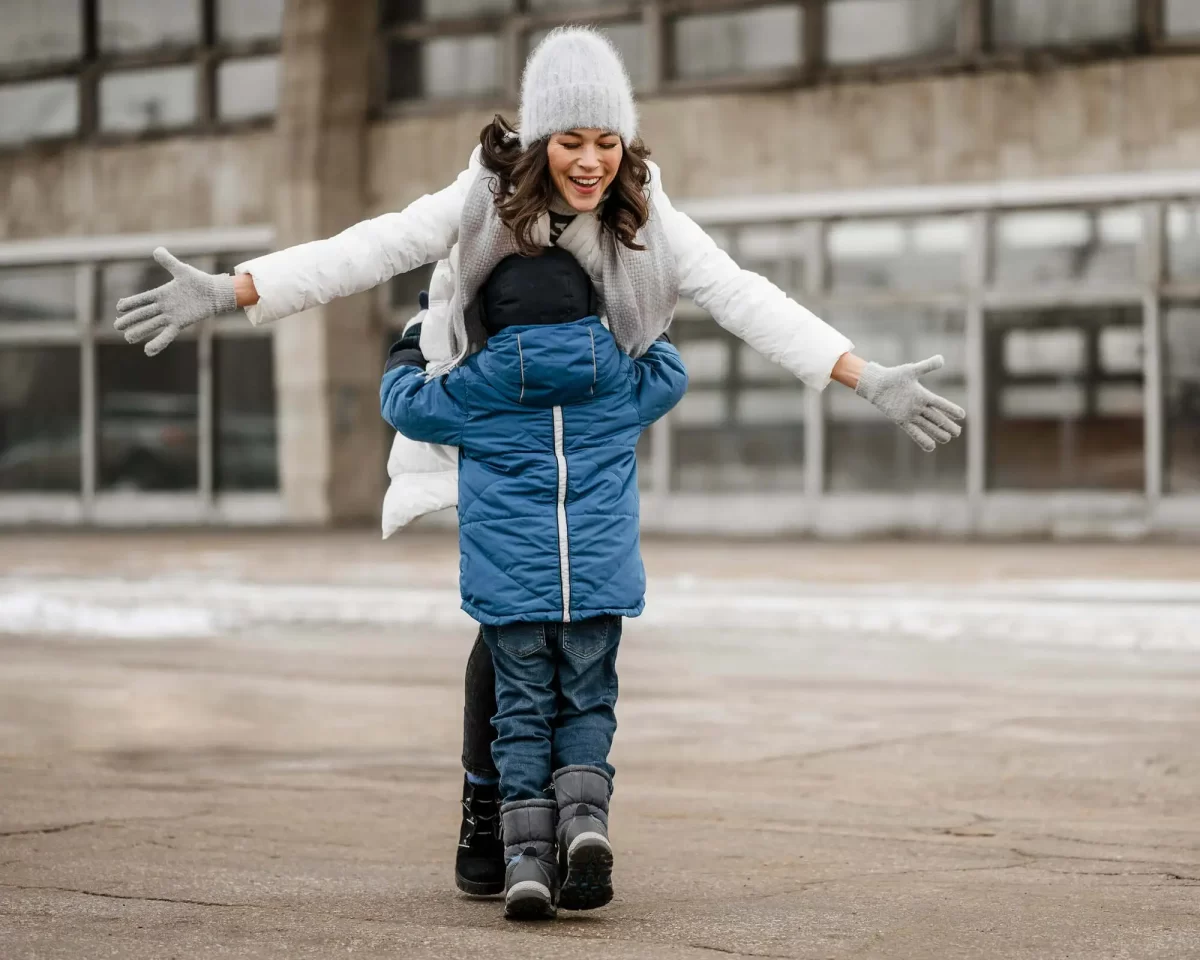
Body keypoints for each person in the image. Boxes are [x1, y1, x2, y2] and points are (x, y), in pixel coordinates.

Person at [113, 27, 965, 899]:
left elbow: (744, 294)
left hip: (582, 427)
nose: (590, 162)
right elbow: (367, 248)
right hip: (486, 407)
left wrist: (862, 376)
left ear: (626, 143)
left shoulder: (645, 210)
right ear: (538, 139)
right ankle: (498, 812)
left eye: (606, 142)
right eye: (571, 141)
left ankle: (510, 826)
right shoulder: (481, 195)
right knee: (510, 641)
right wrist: (230, 288)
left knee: (512, 636)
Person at [382, 245, 688, 919]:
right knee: (585, 707)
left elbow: (404, 406)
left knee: (518, 718)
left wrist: (411, 341)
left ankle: (525, 864)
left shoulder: (476, 384)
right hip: (597, 587)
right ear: (590, 305)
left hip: (512, 594)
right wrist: (641, 324)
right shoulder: (617, 377)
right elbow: (670, 374)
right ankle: (585, 821)